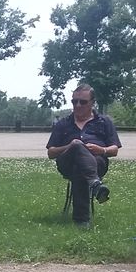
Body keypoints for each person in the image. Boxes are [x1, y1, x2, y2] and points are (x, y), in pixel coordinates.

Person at [46, 84, 120, 227]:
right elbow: (51, 152)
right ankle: (95, 184)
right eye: (74, 101)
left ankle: (82, 221)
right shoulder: (63, 124)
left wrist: (101, 149)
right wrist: (70, 146)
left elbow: (114, 149)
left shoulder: (104, 122)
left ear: (92, 103)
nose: (78, 105)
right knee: (77, 146)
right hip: (66, 162)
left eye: (83, 102)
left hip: (97, 162)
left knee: (79, 168)